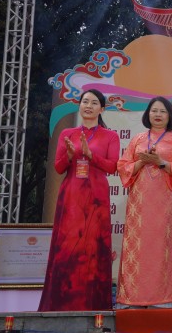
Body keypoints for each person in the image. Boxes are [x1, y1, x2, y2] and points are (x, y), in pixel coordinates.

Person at [39, 89, 120, 311]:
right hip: (72, 195)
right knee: (69, 247)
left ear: (102, 109)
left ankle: (93, 304)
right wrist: (69, 155)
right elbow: (58, 167)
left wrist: (91, 156)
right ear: (79, 105)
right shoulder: (68, 133)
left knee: (92, 247)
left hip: (96, 197)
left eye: (94, 103)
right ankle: (61, 303)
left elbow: (113, 167)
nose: (88, 106)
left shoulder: (110, 136)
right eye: (85, 102)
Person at [116, 97, 172, 308]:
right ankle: (132, 298)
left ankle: (163, 299)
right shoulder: (138, 139)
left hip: (164, 203)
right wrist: (142, 161)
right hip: (139, 205)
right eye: (154, 110)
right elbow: (123, 166)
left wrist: (161, 162)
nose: (158, 115)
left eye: (162, 111)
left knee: (161, 247)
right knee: (138, 248)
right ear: (148, 114)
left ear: (169, 116)